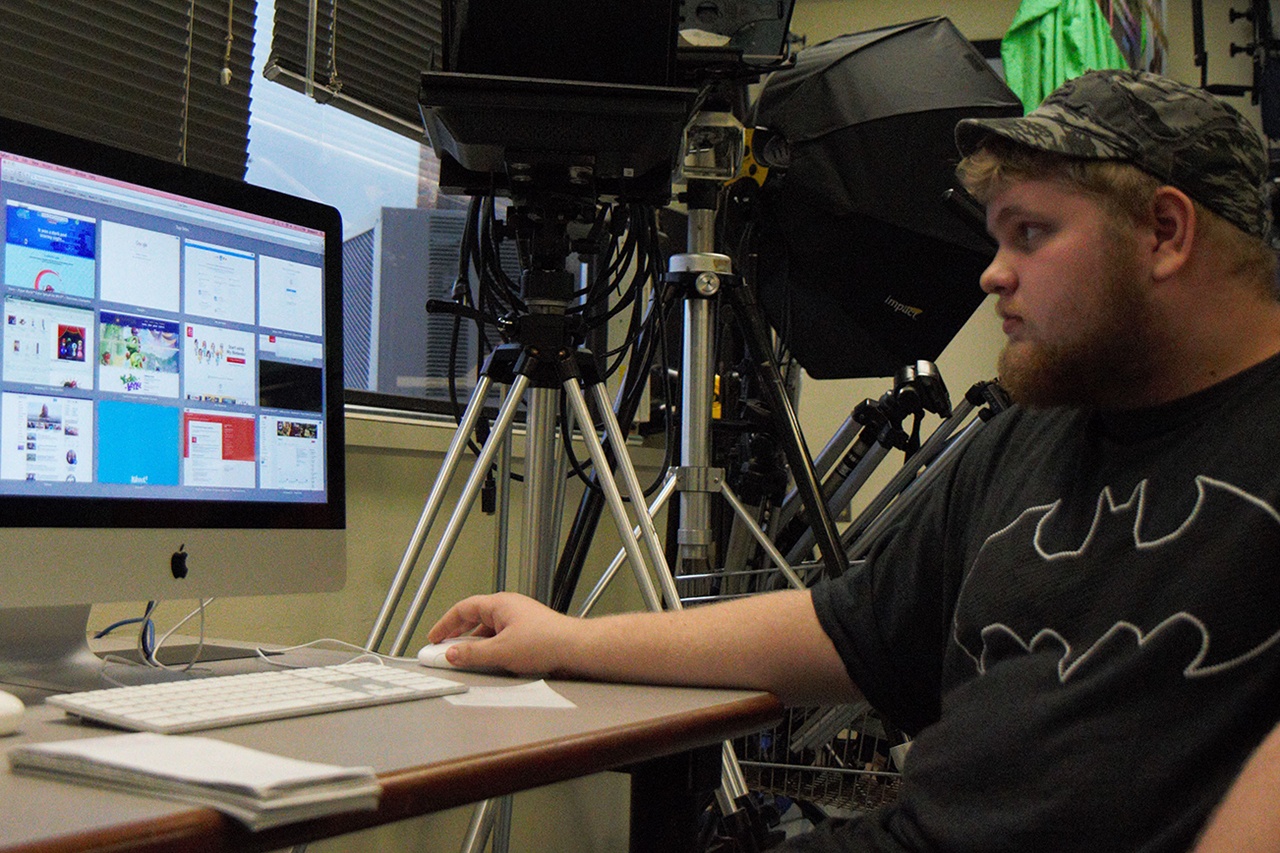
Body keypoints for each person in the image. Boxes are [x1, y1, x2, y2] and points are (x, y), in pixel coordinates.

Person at [428, 69, 1280, 852]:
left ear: (1166, 233)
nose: (992, 275)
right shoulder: (1032, 439)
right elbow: (840, 626)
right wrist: (569, 639)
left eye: (1031, 234)